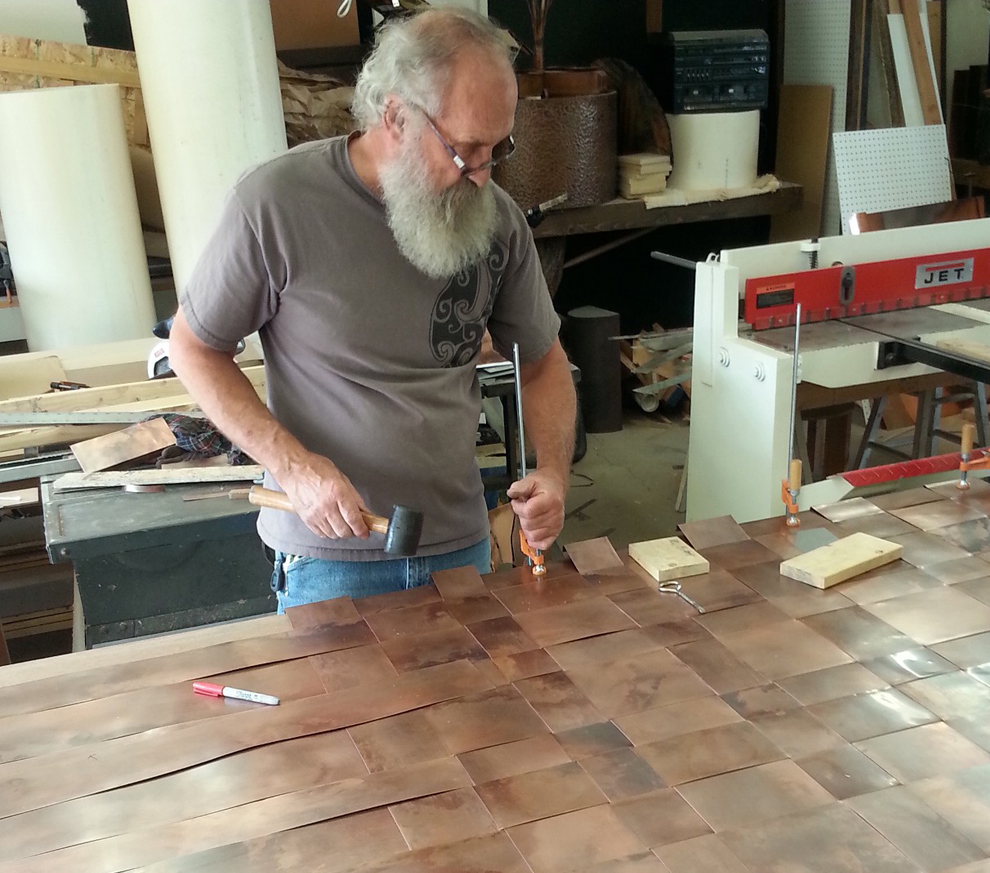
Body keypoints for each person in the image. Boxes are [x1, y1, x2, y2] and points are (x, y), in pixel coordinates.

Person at [167, 8, 576, 610]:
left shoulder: (496, 222)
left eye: (497, 148)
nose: (482, 176)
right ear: (396, 116)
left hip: (460, 549)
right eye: (465, 150)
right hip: (330, 560)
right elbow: (193, 348)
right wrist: (295, 468)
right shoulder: (276, 204)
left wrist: (555, 475)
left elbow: (543, 365)